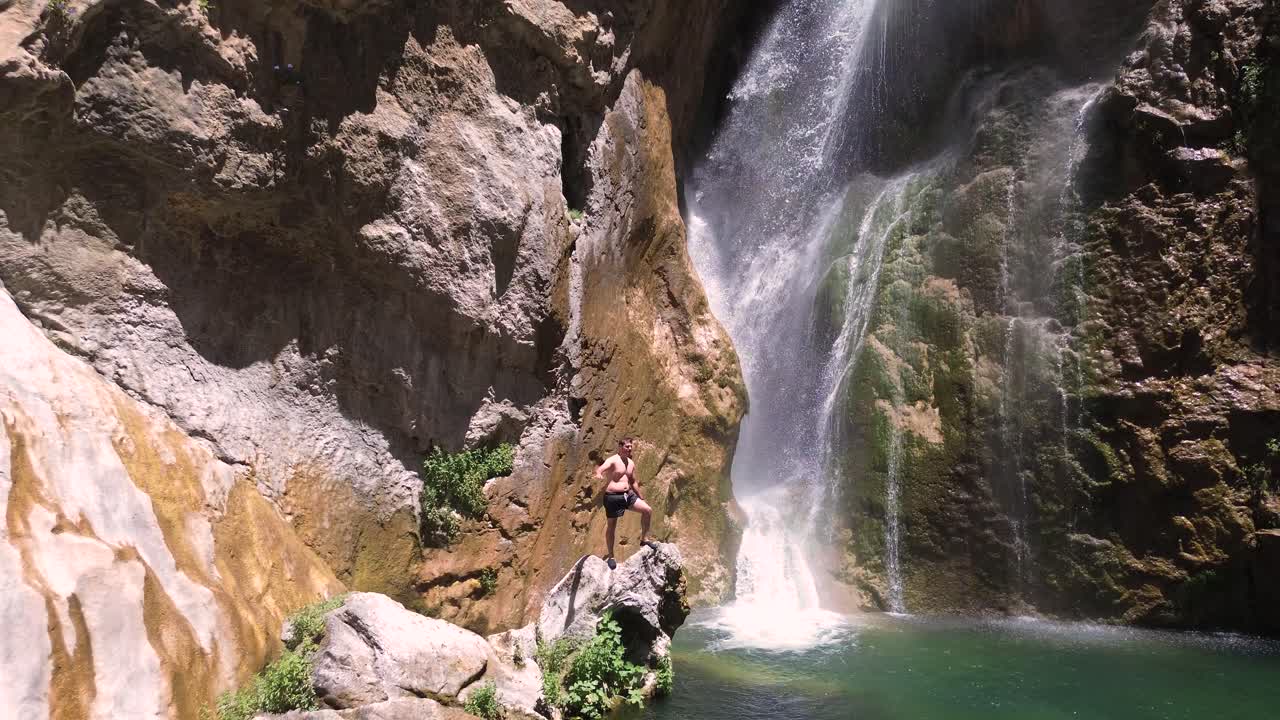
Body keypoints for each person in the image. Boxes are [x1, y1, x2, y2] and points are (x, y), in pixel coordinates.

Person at [596, 436, 656, 569]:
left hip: (627, 495)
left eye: (630, 447)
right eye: (627, 446)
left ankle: (644, 539)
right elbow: (601, 468)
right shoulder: (613, 460)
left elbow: (633, 481)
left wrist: (640, 495)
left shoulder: (630, 462)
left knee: (647, 510)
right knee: (612, 526)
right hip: (612, 497)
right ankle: (611, 557)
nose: (629, 449)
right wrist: (599, 473)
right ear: (620, 447)